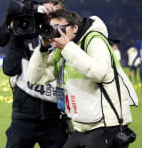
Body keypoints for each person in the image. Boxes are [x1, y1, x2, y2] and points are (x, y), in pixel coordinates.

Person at [27, 8, 137, 148]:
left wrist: (67, 47)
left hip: (106, 125)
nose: (55, 32)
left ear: (75, 28)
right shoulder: (61, 51)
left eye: (59, 28)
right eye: (52, 28)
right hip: (81, 126)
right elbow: (35, 78)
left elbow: (100, 72)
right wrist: (42, 48)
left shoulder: (94, 40)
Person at [0, 0, 68, 148]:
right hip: (24, 115)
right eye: (46, 13)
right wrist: (17, 31)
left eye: (55, 15)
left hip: (55, 117)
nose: (49, 18)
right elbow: (9, 69)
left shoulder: (68, 40)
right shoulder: (25, 32)